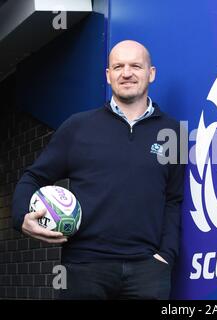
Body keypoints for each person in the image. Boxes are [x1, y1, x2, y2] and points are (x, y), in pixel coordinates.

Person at [11, 40, 186, 299]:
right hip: (83, 268)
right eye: (118, 66)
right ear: (108, 75)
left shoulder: (173, 133)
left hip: (148, 271)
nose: (126, 73)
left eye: (136, 66)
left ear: (151, 73)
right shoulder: (77, 127)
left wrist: (166, 255)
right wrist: (21, 217)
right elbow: (34, 176)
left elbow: (173, 199)